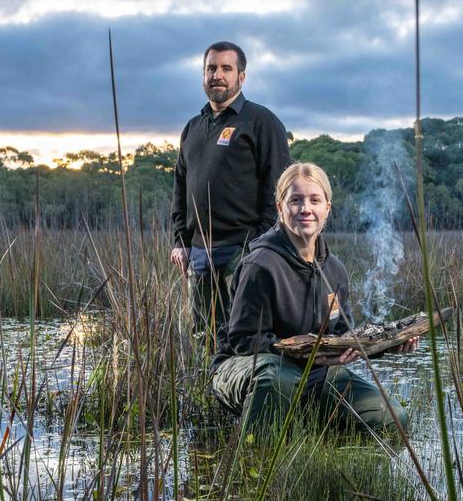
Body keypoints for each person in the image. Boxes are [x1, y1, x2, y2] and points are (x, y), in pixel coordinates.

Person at [211, 162, 414, 434]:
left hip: (315, 373)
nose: (305, 209)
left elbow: (342, 334)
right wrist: (311, 355)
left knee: (393, 419)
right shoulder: (259, 265)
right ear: (281, 207)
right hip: (249, 369)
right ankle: (257, 450)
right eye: (295, 200)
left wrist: (388, 345)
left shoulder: (335, 269)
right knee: (277, 378)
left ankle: (308, 423)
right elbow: (244, 341)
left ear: (327, 208)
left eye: (314, 200)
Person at [171, 41, 290, 349]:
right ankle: (208, 393)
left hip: (244, 249)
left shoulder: (261, 121)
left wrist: (261, 244)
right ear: (203, 74)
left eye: (226, 68)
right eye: (211, 68)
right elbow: (180, 187)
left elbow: (277, 188)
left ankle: (243, 392)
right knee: (204, 339)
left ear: (242, 77)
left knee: (244, 335)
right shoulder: (192, 128)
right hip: (198, 252)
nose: (218, 75)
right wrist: (180, 242)